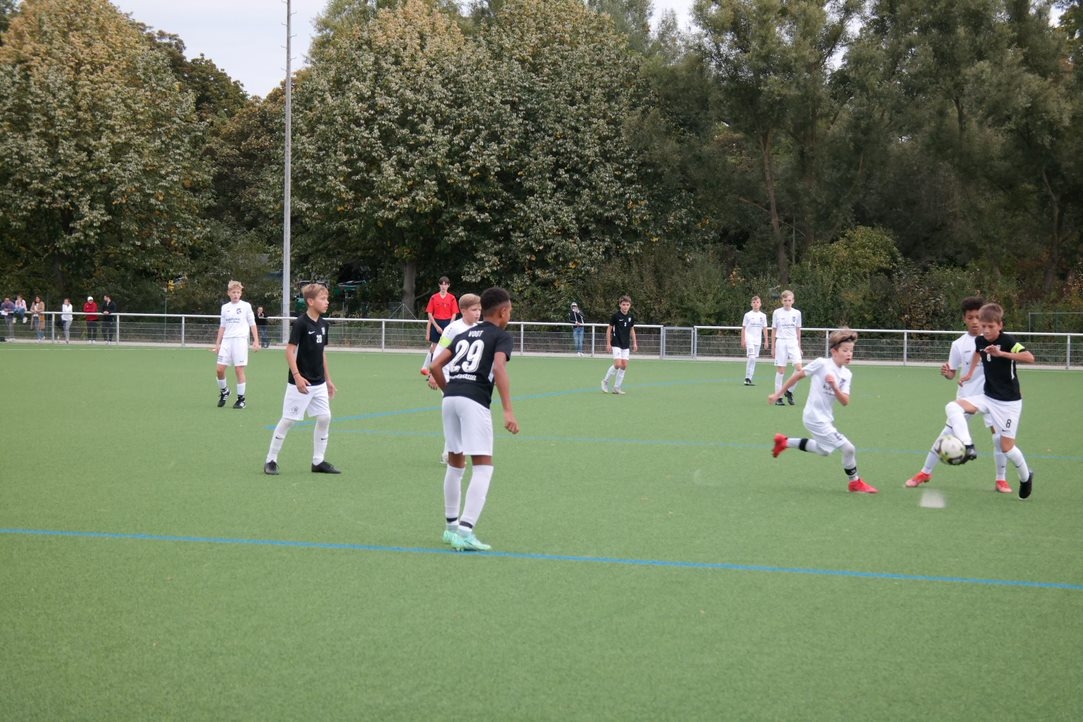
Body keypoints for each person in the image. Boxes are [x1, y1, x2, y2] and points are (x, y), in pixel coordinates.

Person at [429, 287, 519, 551]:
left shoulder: (464, 333)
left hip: (450, 398)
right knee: (483, 467)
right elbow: (499, 367)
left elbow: (435, 365)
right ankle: (466, 532)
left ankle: (451, 528)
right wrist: (508, 410)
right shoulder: (502, 337)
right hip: (474, 401)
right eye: (510, 311)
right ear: (503, 312)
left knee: (455, 464)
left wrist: (451, 391)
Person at [905, 296, 1010, 493]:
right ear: (964, 319)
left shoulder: (998, 341)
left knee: (999, 438)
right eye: (970, 318)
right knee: (945, 435)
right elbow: (952, 373)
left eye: (978, 317)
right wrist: (947, 373)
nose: (975, 322)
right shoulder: (958, 344)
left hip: (994, 397)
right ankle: (925, 472)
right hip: (967, 397)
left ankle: (1001, 479)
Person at [945, 303, 1036, 499]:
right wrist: (969, 374)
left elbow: (1030, 357)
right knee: (952, 406)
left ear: (1000, 325)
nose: (986, 330)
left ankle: (1026, 477)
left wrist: (1001, 354)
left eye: (990, 326)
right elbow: (978, 352)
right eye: (983, 326)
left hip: (1009, 403)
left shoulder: (1008, 341)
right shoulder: (980, 340)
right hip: (987, 397)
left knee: (1006, 448)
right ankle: (968, 445)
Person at [769, 329, 877, 494]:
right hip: (814, 417)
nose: (849, 354)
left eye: (851, 351)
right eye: (845, 350)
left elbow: (845, 402)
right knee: (849, 448)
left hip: (825, 418)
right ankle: (855, 483)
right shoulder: (822, 363)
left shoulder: (846, 374)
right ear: (834, 351)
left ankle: (784, 442)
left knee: (824, 450)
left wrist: (834, 386)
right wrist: (778, 394)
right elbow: (797, 376)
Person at [264, 283, 340, 475]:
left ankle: (318, 461)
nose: (327, 302)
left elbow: (322, 353)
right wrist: (297, 377)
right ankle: (271, 460)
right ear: (310, 301)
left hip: (319, 382)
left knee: (325, 417)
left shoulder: (324, 324)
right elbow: (289, 351)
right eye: (323, 299)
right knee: (288, 420)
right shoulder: (301, 323)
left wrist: (328, 380)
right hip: (301, 384)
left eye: (327, 298)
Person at [427, 293, 482, 464]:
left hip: (467, 378)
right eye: (474, 310)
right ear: (463, 311)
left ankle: (450, 453)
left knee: (461, 416)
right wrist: (433, 374)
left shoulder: (479, 329)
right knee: (457, 414)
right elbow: (439, 350)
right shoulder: (453, 328)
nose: (478, 313)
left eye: (479, 310)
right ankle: (451, 453)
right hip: (448, 376)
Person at [213, 280, 260, 409]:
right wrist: (218, 344)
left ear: (241, 293)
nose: (236, 294)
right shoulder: (225, 307)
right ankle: (225, 391)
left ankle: (241, 399)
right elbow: (222, 326)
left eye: (238, 292)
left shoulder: (246, 306)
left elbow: (252, 324)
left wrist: (256, 341)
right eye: (233, 292)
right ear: (228, 293)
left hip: (240, 340)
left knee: (239, 369)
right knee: (219, 369)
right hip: (226, 341)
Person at [420, 276, 459, 376]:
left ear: (448, 285)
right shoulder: (434, 297)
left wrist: (449, 326)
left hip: (448, 323)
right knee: (435, 347)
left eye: (445, 284)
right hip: (436, 323)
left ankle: (447, 371)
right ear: (439, 285)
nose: (443, 286)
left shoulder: (452, 298)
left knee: (448, 348)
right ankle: (432, 372)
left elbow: (454, 313)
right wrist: (436, 326)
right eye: (442, 284)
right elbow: (430, 313)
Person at [771, 290, 803, 406]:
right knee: (781, 371)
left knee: (799, 369)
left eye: (789, 300)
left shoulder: (797, 313)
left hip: (793, 342)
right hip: (781, 342)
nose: (787, 302)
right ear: (782, 301)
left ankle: (789, 391)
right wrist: (773, 347)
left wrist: (799, 346)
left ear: (793, 301)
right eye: (785, 300)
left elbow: (798, 330)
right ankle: (778, 397)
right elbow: (774, 329)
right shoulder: (777, 312)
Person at [601, 295, 637, 395]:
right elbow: (609, 329)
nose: (625, 306)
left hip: (626, 344)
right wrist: (608, 343)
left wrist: (635, 343)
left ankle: (617, 387)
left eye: (627, 305)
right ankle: (605, 381)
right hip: (616, 342)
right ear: (620, 305)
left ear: (630, 305)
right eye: (623, 304)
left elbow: (632, 330)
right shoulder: (615, 316)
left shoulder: (631, 317)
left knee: (624, 366)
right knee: (617, 364)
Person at [741, 295, 769, 386]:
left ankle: (749, 379)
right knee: (752, 357)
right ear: (751, 304)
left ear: (760, 304)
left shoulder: (763, 316)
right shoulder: (747, 315)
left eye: (757, 302)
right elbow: (743, 328)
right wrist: (743, 340)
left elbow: (764, 328)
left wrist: (766, 340)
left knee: (754, 359)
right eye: (754, 302)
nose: (756, 304)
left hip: (758, 340)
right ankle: (747, 378)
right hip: (749, 338)